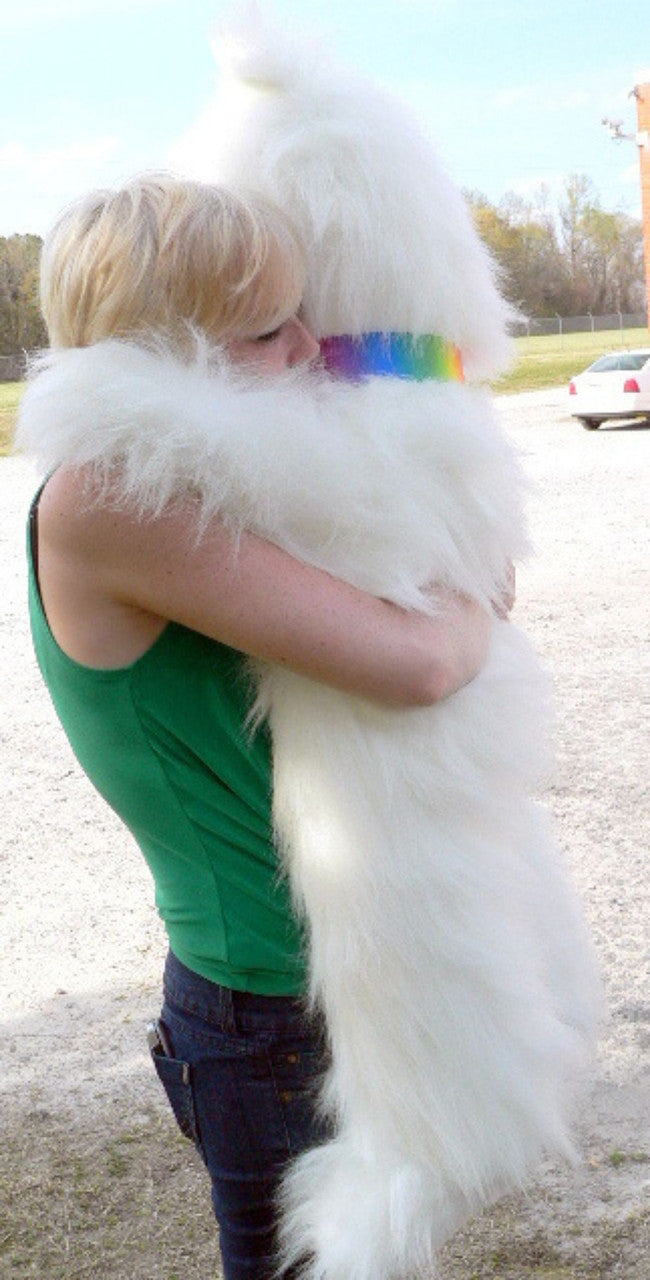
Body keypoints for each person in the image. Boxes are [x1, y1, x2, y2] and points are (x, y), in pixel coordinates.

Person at [22, 173, 493, 1280]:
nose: (308, 352)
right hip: (269, 1007)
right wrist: (468, 586)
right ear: (165, 358)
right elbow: (422, 657)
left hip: (330, 979)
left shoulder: (209, 481)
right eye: (269, 329)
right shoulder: (112, 494)